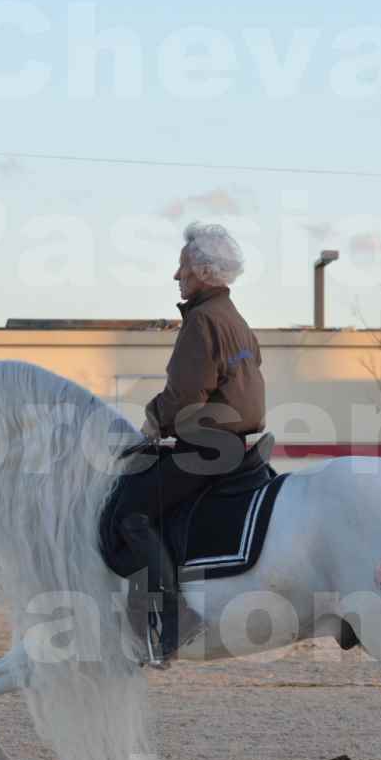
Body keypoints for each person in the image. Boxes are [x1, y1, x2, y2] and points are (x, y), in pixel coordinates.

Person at [113, 222, 266, 663]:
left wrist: (151, 423)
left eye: (182, 268)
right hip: (241, 443)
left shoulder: (202, 322)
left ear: (202, 271)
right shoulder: (234, 320)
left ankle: (175, 615)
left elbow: (185, 396)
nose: (175, 276)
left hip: (209, 447)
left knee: (131, 510)